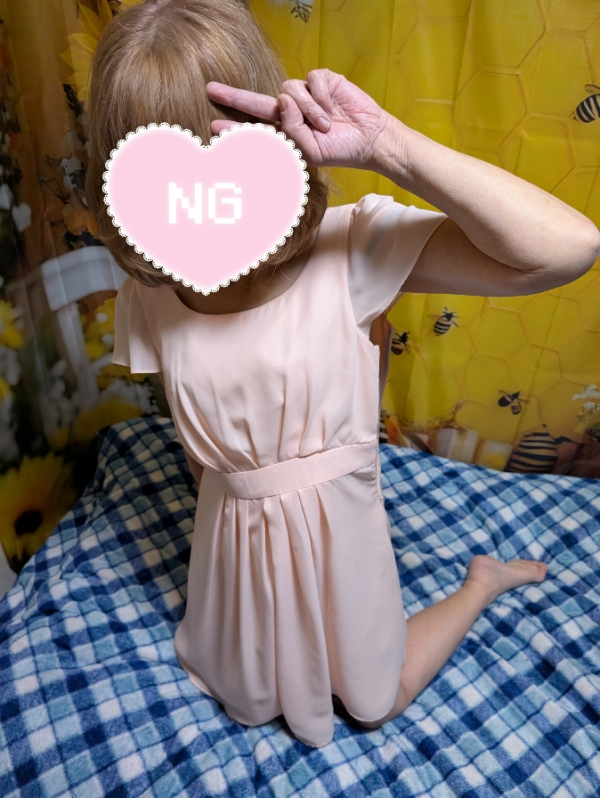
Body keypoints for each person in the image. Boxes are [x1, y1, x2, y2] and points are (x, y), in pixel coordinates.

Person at [86, 0, 600, 748]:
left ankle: (481, 582)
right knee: (246, 694)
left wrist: (389, 146)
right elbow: (201, 448)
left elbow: (567, 249)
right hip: (232, 543)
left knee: (374, 702)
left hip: (344, 533)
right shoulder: (153, 292)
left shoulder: (351, 247)